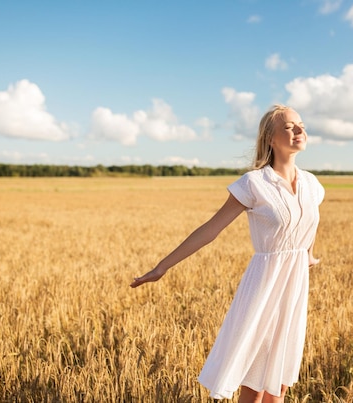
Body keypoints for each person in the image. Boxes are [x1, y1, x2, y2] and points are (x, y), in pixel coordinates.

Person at [130, 104, 325, 402]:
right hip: (265, 284)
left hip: (294, 285)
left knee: (280, 381)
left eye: (301, 124)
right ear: (270, 139)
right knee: (255, 378)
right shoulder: (254, 183)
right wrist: (162, 267)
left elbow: (308, 221)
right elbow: (210, 229)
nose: (299, 131)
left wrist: (308, 254)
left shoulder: (312, 184)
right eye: (289, 127)